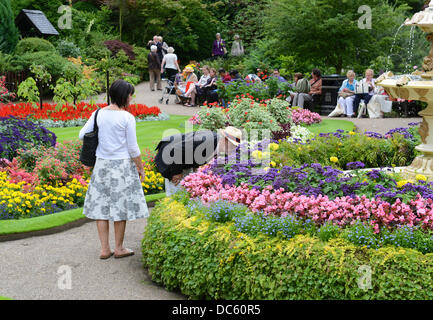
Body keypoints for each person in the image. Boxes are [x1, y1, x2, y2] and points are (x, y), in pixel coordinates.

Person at [79, 79, 148, 260]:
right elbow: (133, 148)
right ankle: (118, 248)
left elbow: (82, 134)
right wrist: (140, 168)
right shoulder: (127, 117)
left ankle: (104, 249)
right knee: (120, 208)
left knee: (101, 207)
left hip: (102, 165)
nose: (131, 98)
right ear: (124, 96)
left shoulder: (98, 113)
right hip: (122, 167)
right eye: (130, 94)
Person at [154, 126, 243, 196]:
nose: (234, 149)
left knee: (186, 191)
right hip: (170, 157)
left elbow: (194, 152)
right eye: (233, 145)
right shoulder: (207, 141)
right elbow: (177, 150)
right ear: (225, 140)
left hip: (182, 159)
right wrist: (176, 172)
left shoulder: (218, 144)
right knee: (175, 194)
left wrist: (195, 167)